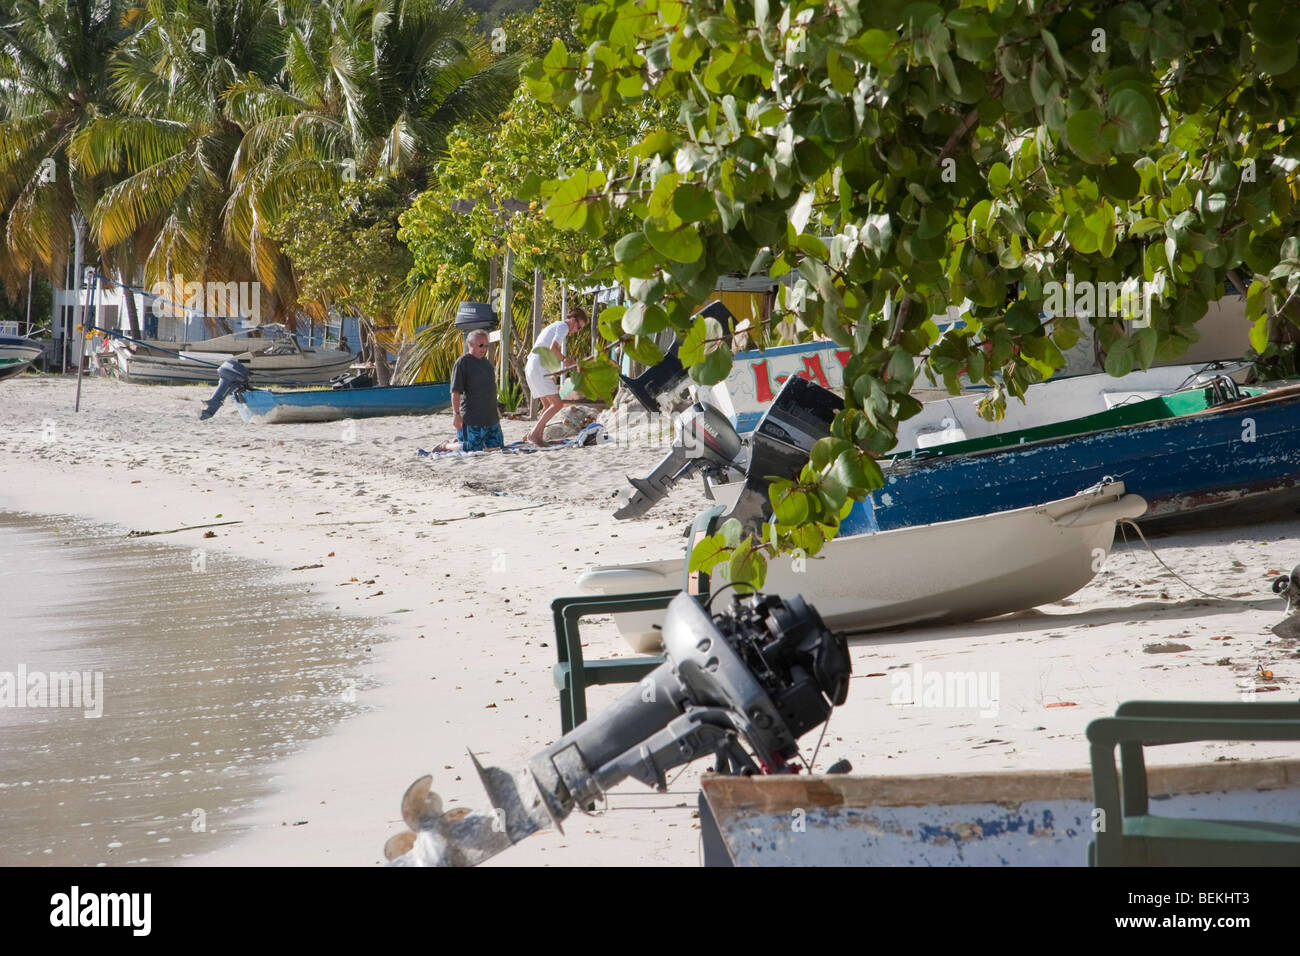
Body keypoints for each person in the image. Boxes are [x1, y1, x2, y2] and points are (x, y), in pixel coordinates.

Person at [524, 306, 588, 446]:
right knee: (557, 404)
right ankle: (534, 434)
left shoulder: (555, 326)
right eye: (578, 327)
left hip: (531, 365)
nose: (576, 331)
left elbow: (549, 349)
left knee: (547, 405)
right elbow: (553, 348)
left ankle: (538, 435)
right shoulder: (563, 326)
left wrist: (563, 363)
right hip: (538, 366)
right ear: (572, 320)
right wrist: (565, 360)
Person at [434, 329, 503, 452]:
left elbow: (490, 389)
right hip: (472, 419)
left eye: (486, 346)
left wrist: (496, 410)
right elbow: (455, 391)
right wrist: (456, 415)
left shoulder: (487, 364)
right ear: (470, 344)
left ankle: (457, 442)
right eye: (480, 345)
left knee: (497, 448)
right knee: (471, 449)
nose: (484, 349)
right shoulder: (462, 363)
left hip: (491, 418)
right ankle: (446, 445)